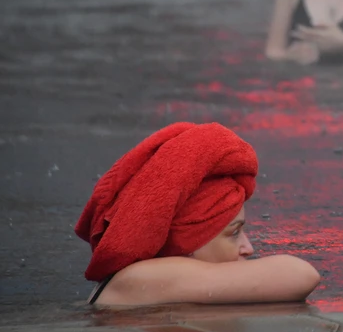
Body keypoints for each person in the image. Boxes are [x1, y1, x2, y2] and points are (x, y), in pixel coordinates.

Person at [76, 122, 320, 306]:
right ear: (184, 242)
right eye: (234, 233)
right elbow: (300, 275)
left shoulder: (142, 281)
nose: (248, 248)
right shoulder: (136, 279)